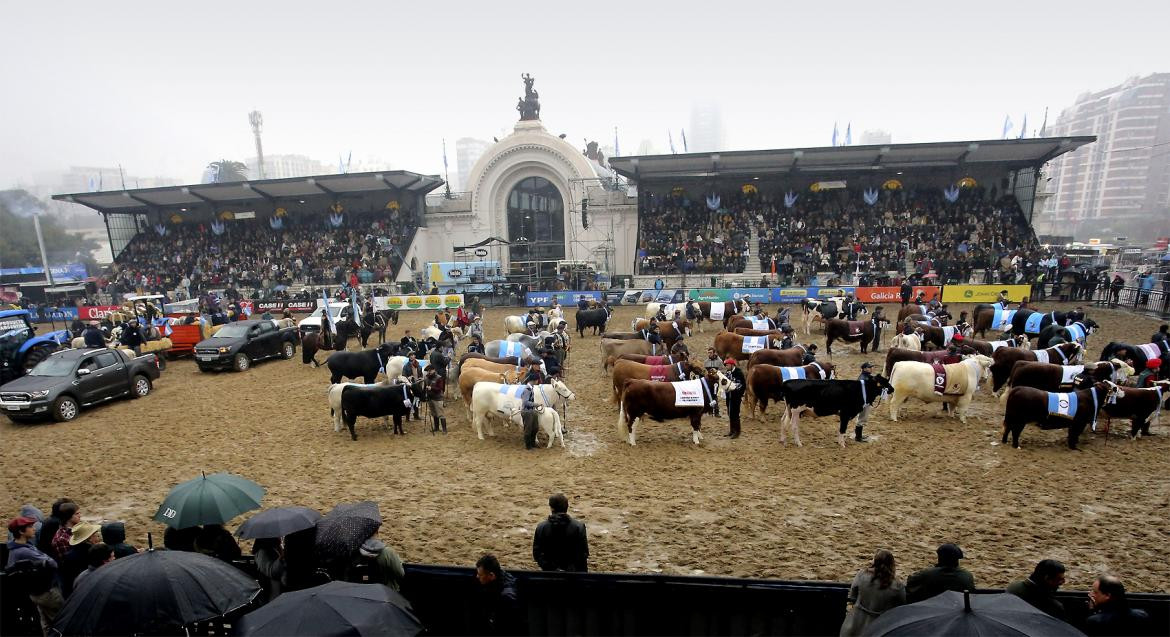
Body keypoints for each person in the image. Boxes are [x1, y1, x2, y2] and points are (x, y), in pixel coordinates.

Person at [6, 515, 64, 635]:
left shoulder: (19, 547)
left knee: (47, 623)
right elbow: (52, 563)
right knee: (61, 621)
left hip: (37, 593)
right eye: (30, 527)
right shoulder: (24, 551)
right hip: (47, 593)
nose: (34, 529)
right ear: (21, 531)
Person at [840, 549, 906, 637]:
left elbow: (852, 596)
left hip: (855, 623)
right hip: (880, 627)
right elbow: (901, 607)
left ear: (875, 561)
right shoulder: (897, 586)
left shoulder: (861, 575)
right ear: (892, 564)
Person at [532, 493, 589, 572]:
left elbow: (537, 554)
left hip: (550, 576)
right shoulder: (579, 527)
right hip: (574, 577)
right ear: (567, 507)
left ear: (551, 508)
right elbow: (583, 554)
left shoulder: (541, 527)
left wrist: (552, 568)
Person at [474, 554, 526, 636]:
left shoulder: (506, 598)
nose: (477, 576)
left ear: (491, 575)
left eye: (480, 575)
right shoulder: (498, 578)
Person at [1084, 574, 1151, 636]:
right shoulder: (1142, 616)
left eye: (1095, 592)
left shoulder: (1095, 622)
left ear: (1107, 595)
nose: (1091, 594)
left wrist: (1092, 612)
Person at [905, 543, 975, 602]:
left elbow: (910, 582)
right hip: (957, 609)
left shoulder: (928, 574)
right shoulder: (967, 575)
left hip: (932, 608)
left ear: (940, 558)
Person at [61, 522, 102, 598]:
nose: (98, 537)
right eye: (95, 535)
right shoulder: (95, 554)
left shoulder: (68, 555)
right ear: (89, 538)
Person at [854, 362, 878, 442]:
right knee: (862, 419)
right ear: (864, 369)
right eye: (869, 367)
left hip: (865, 401)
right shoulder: (864, 378)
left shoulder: (866, 377)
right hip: (864, 402)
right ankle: (858, 437)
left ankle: (859, 435)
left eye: (871, 367)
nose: (871, 368)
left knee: (862, 418)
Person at [724, 358, 746, 439]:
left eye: (727, 365)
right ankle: (732, 430)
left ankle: (737, 431)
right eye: (725, 365)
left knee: (735, 414)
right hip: (728, 396)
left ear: (732, 364)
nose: (726, 366)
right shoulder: (727, 373)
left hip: (735, 397)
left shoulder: (738, 372)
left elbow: (742, 384)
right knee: (730, 413)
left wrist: (739, 393)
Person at [423, 365, 446, 434]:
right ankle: (436, 428)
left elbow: (440, 388)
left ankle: (444, 429)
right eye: (428, 371)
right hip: (430, 398)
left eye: (430, 370)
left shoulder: (439, 378)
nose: (429, 372)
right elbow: (424, 388)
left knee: (441, 414)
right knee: (434, 414)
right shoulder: (426, 378)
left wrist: (432, 388)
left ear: (434, 370)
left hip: (438, 398)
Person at [520, 380, 541, 450]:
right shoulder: (527, 390)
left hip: (532, 410)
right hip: (527, 411)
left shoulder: (531, 388)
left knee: (535, 428)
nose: (538, 381)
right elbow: (525, 402)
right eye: (537, 380)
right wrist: (535, 404)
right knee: (528, 429)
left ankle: (533, 443)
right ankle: (528, 446)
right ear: (534, 380)